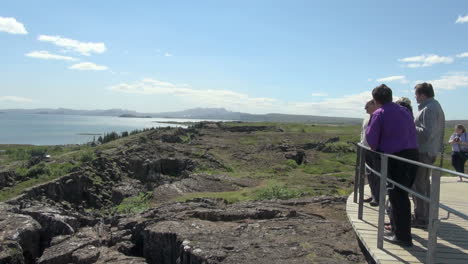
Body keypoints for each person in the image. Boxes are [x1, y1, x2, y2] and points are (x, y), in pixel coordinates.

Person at [366, 84, 419, 247]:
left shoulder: (379, 113)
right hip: (412, 156)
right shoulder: (404, 111)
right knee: (402, 196)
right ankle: (398, 230)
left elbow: (371, 139)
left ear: (376, 99)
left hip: (395, 159)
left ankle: (403, 237)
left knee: (397, 197)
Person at [412, 82, 445, 228]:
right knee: (424, 183)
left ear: (423, 95)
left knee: (420, 185)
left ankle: (421, 218)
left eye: (416, 94)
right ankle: (426, 214)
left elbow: (427, 133)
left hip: (424, 152)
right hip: (427, 151)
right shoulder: (433, 106)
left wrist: (410, 126)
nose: (415, 97)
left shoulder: (429, 109)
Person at [360, 99, 380, 206]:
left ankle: (377, 197)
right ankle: (373, 195)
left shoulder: (379, 116)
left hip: (375, 150)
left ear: (374, 105)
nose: (365, 109)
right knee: (370, 174)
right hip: (366, 149)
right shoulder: (366, 117)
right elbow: (363, 132)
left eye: (367, 106)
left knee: (377, 174)